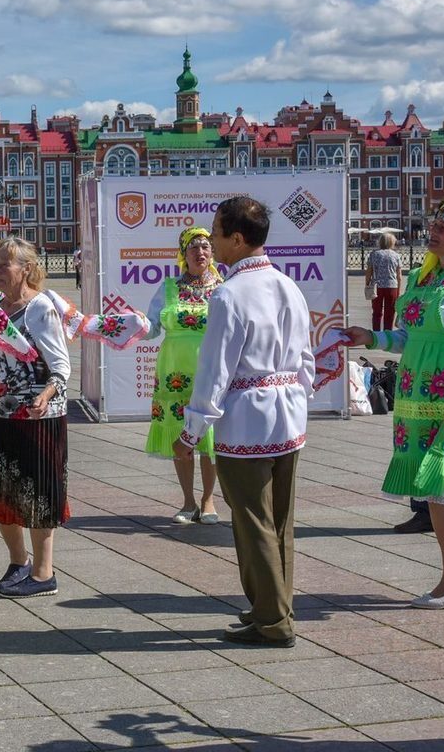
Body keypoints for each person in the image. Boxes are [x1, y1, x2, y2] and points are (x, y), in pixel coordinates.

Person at [344, 202, 444, 610]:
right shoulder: (422, 276)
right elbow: (407, 338)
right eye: (432, 225)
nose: (433, 232)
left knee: (443, 487)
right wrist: (371, 338)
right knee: (438, 488)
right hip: (415, 394)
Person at [172, 197, 314, 648]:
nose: (211, 242)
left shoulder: (229, 294)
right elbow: (306, 359)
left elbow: (215, 371)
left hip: (247, 421)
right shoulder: (288, 285)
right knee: (280, 521)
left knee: (252, 520)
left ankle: (273, 620)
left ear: (237, 238)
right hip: (287, 418)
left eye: (216, 233)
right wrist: (296, 398)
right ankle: (272, 609)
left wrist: (190, 432)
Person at [0, 237, 71, 599]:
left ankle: (43, 574)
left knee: (38, 493)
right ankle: (18, 561)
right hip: (3, 412)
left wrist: (46, 394)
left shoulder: (41, 308)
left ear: (27, 269)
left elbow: (61, 366)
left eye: (6, 263)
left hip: (40, 415)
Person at [144, 228, 222, 525]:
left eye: (205, 247)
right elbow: (151, 326)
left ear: (212, 253)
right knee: (181, 432)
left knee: (209, 436)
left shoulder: (224, 287)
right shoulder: (168, 288)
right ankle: (188, 501)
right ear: (183, 254)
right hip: (175, 369)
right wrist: (128, 326)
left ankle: (208, 499)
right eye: (194, 248)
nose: (200, 253)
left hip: (211, 368)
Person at [366, 233, 403, 332]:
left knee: (376, 312)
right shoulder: (396, 255)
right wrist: (398, 290)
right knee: (390, 312)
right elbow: (399, 276)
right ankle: (388, 334)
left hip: (376, 286)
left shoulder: (374, 254)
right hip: (392, 286)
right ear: (392, 242)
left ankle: (376, 334)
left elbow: (369, 271)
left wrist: (367, 284)